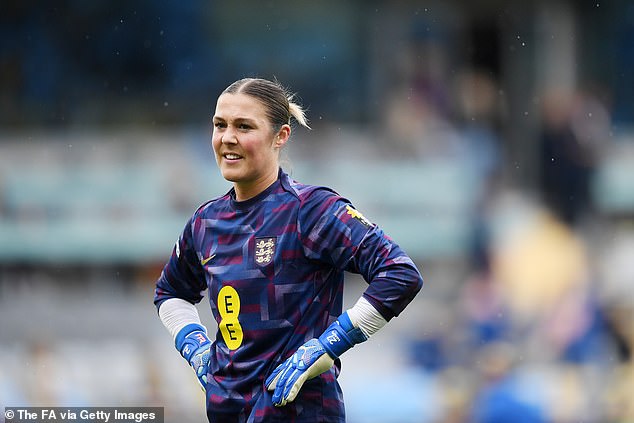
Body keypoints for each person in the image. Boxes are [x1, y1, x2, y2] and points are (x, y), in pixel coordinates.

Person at [153, 77, 424, 423]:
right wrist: (194, 346)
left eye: (244, 126)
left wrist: (332, 343)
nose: (227, 138)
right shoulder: (205, 222)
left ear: (281, 136)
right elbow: (170, 292)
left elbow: (400, 273)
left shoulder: (310, 210)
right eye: (220, 125)